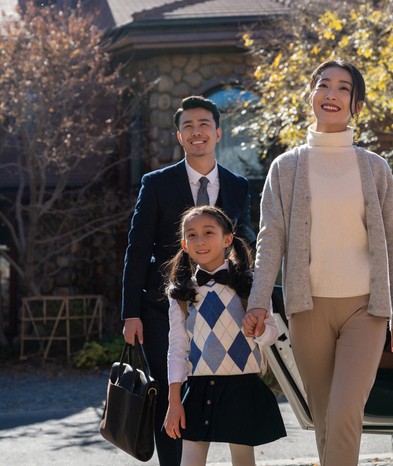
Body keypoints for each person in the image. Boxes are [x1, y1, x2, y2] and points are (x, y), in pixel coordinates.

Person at [243, 59, 393, 466]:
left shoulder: (375, 168)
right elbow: (271, 239)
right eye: (324, 85)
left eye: (343, 88)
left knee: (344, 412)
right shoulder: (286, 167)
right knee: (324, 421)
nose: (331, 94)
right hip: (308, 308)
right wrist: (258, 300)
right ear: (311, 95)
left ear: (356, 104)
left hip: (365, 309)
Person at [122, 96, 256, 466]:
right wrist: (129, 312)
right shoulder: (156, 184)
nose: (196, 133)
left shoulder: (238, 185)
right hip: (159, 307)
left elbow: (245, 245)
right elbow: (137, 249)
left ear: (217, 132)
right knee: (170, 393)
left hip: (223, 307)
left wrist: (255, 300)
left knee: (223, 389)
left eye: (203, 125)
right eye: (188, 127)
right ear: (179, 136)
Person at [162, 205, 286, 466]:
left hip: (242, 386)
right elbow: (177, 349)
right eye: (192, 235)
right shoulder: (181, 294)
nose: (201, 240)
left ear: (227, 239)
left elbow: (272, 334)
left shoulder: (252, 285)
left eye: (209, 232)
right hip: (196, 387)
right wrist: (174, 400)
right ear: (184, 244)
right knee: (190, 461)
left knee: (243, 460)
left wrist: (261, 329)